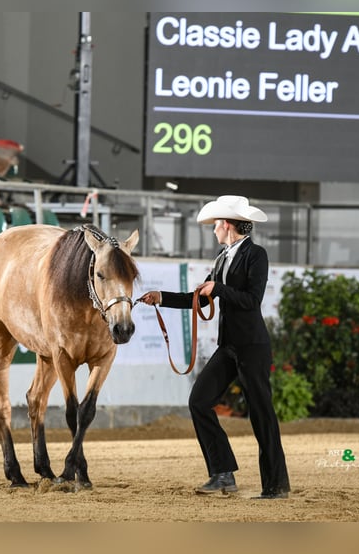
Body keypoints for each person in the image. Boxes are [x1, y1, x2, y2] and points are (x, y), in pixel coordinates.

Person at [138, 195, 290, 499]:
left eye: (216, 224)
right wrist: (162, 298)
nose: (213, 229)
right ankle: (222, 474)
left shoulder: (255, 255)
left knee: (261, 415)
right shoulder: (222, 258)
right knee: (199, 400)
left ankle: (276, 485)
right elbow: (200, 297)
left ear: (228, 224)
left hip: (251, 346)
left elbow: (251, 300)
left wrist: (218, 288)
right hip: (229, 346)